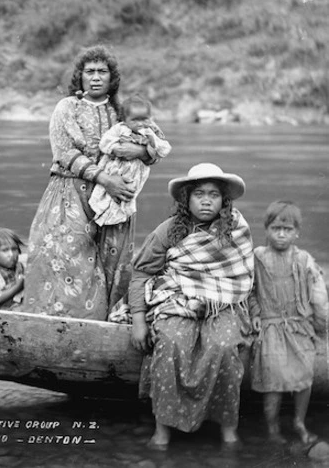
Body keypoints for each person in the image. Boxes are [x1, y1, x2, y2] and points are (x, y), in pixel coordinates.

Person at [22, 45, 157, 320]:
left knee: (114, 264)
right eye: (89, 71)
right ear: (80, 77)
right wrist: (104, 178)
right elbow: (64, 151)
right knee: (67, 259)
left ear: (112, 77)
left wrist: (143, 152)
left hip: (115, 199)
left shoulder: (123, 110)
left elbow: (154, 138)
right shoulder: (67, 107)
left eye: (102, 71)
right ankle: (57, 325)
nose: (96, 77)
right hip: (69, 192)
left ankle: (109, 326)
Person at [129, 163, 254, 451]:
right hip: (177, 300)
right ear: (186, 199)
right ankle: (163, 429)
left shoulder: (235, 230)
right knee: (170, 343)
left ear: (224, 200)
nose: (207, 200)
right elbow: (141, 273)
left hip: (223, 305)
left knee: (222, 347)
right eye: (199, 194)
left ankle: (227, 427)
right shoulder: (169, 230)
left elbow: (243, 277)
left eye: (213, 194)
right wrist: (138, 321)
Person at [248, 201, 328, 445]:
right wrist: (254, 314)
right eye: (275, 228)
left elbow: (318, 295)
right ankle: (272, 427)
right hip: (271, 327)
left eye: (287, 229)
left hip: (299, 326)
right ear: (267, 230)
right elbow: (249, 291)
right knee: (272, 379)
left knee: (304, 376)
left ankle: (298, 422)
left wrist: (321, 325)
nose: (281, 234)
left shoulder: (304, 260)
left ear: (297, 233)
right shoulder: (257, 258)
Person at [89, 95, 171, 227]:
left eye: (144, 119)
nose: (140, 124)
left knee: (128, 195)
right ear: (125, 120)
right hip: (115, 167)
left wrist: (151, 143)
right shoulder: (120, 128)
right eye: (135, 120)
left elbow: (163, 150)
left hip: (137, 172)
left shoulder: (150, 131)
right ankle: (100, 213)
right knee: (104, 195)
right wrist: (116, 149)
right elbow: (104, 143)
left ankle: (119, 217)